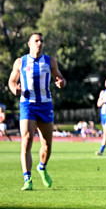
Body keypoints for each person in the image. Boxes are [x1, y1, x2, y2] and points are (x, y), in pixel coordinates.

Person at [8, 32, 66, 191]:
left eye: (41, 40)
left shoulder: (50, 61)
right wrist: (15, 89)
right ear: (29, 43)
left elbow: (60, 78)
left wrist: (61, 82)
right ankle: (27, 179)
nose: (39, 43)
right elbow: (12, 81)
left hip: (45, 105)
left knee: (46, 145)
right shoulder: (20, 62)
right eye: (36, 40)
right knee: (26, 140)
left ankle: (42, 166)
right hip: (27, 105)